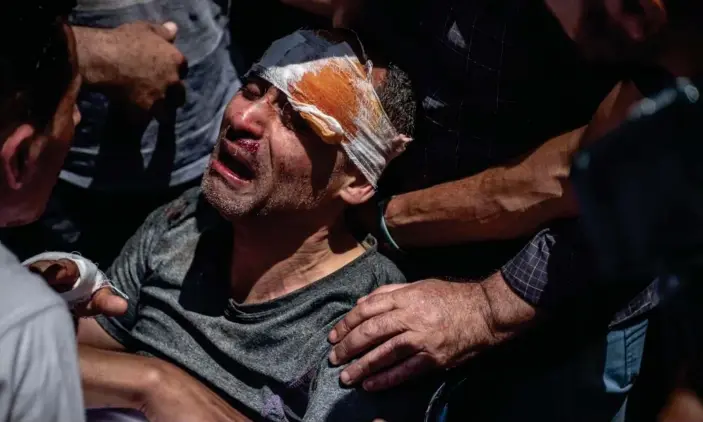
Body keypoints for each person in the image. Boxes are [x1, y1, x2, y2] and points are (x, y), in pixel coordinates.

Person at [281, 0, 658, 421]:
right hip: (395, 246)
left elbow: (628, 172)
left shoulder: (654, 49)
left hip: (561, 305)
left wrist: (488, 306)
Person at [59, 29, 425, 421]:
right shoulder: (187, 220)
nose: (243, 118)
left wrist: (156, 389)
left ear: (354, 181)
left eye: (298, 119)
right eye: (251, 91)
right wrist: (151, 381)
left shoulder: (369, 316)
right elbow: (71, 353)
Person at [0, 0, 242, 269]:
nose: (76, 115)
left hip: (202, 139)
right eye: (72, 106)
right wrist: (89, 49)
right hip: (72, 188)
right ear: (18, 157)